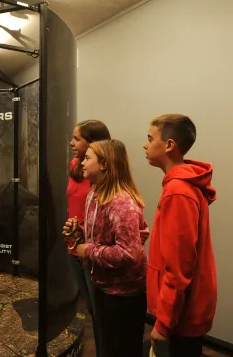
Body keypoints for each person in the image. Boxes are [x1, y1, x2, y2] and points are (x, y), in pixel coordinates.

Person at [64, 139, 148, 357]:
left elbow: (129, 254)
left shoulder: (121, 203)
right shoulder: (94, 193)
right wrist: (79, 232)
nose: (81, 163)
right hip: (104, 287)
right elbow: (102, 235)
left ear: (104, 164)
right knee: (108, 345)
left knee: (122, 349)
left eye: (87, 158)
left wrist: (88, 250)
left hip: (123, 295)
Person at [143, 114, 217, 357]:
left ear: (169, 145)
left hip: (180, 317)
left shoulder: (177, 191)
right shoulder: (180, 185)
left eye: (149, 138)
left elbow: (178, 267)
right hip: (182, 312)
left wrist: (163, 324)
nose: (145, 144)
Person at [66, 120, 110, 356]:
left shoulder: (103, 176)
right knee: (91, 310)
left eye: (77, 139)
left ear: (93, 144)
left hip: (93, 250)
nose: (72, 143)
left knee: (101, 311)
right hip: (74, 248)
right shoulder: (75, 166)